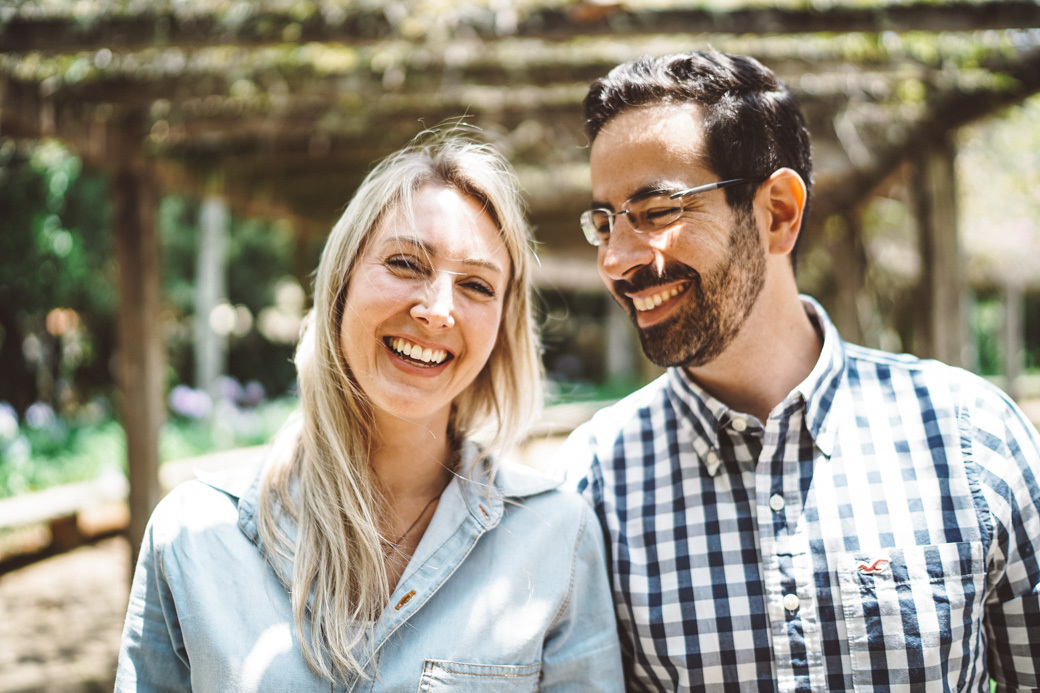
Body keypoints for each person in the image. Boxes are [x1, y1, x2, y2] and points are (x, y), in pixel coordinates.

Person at [560, 50, 1040, 691]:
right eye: (604, 221)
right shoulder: (592, 484)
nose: (617, 258)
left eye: (656, 211)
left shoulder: (970, 438)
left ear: (778, 212)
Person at [116, 133, 624, 691]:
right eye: (406, 263)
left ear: (502, 327)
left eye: (477, 285)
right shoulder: (192, 536)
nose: (437, 310)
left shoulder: (558, 537)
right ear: (341, 285)